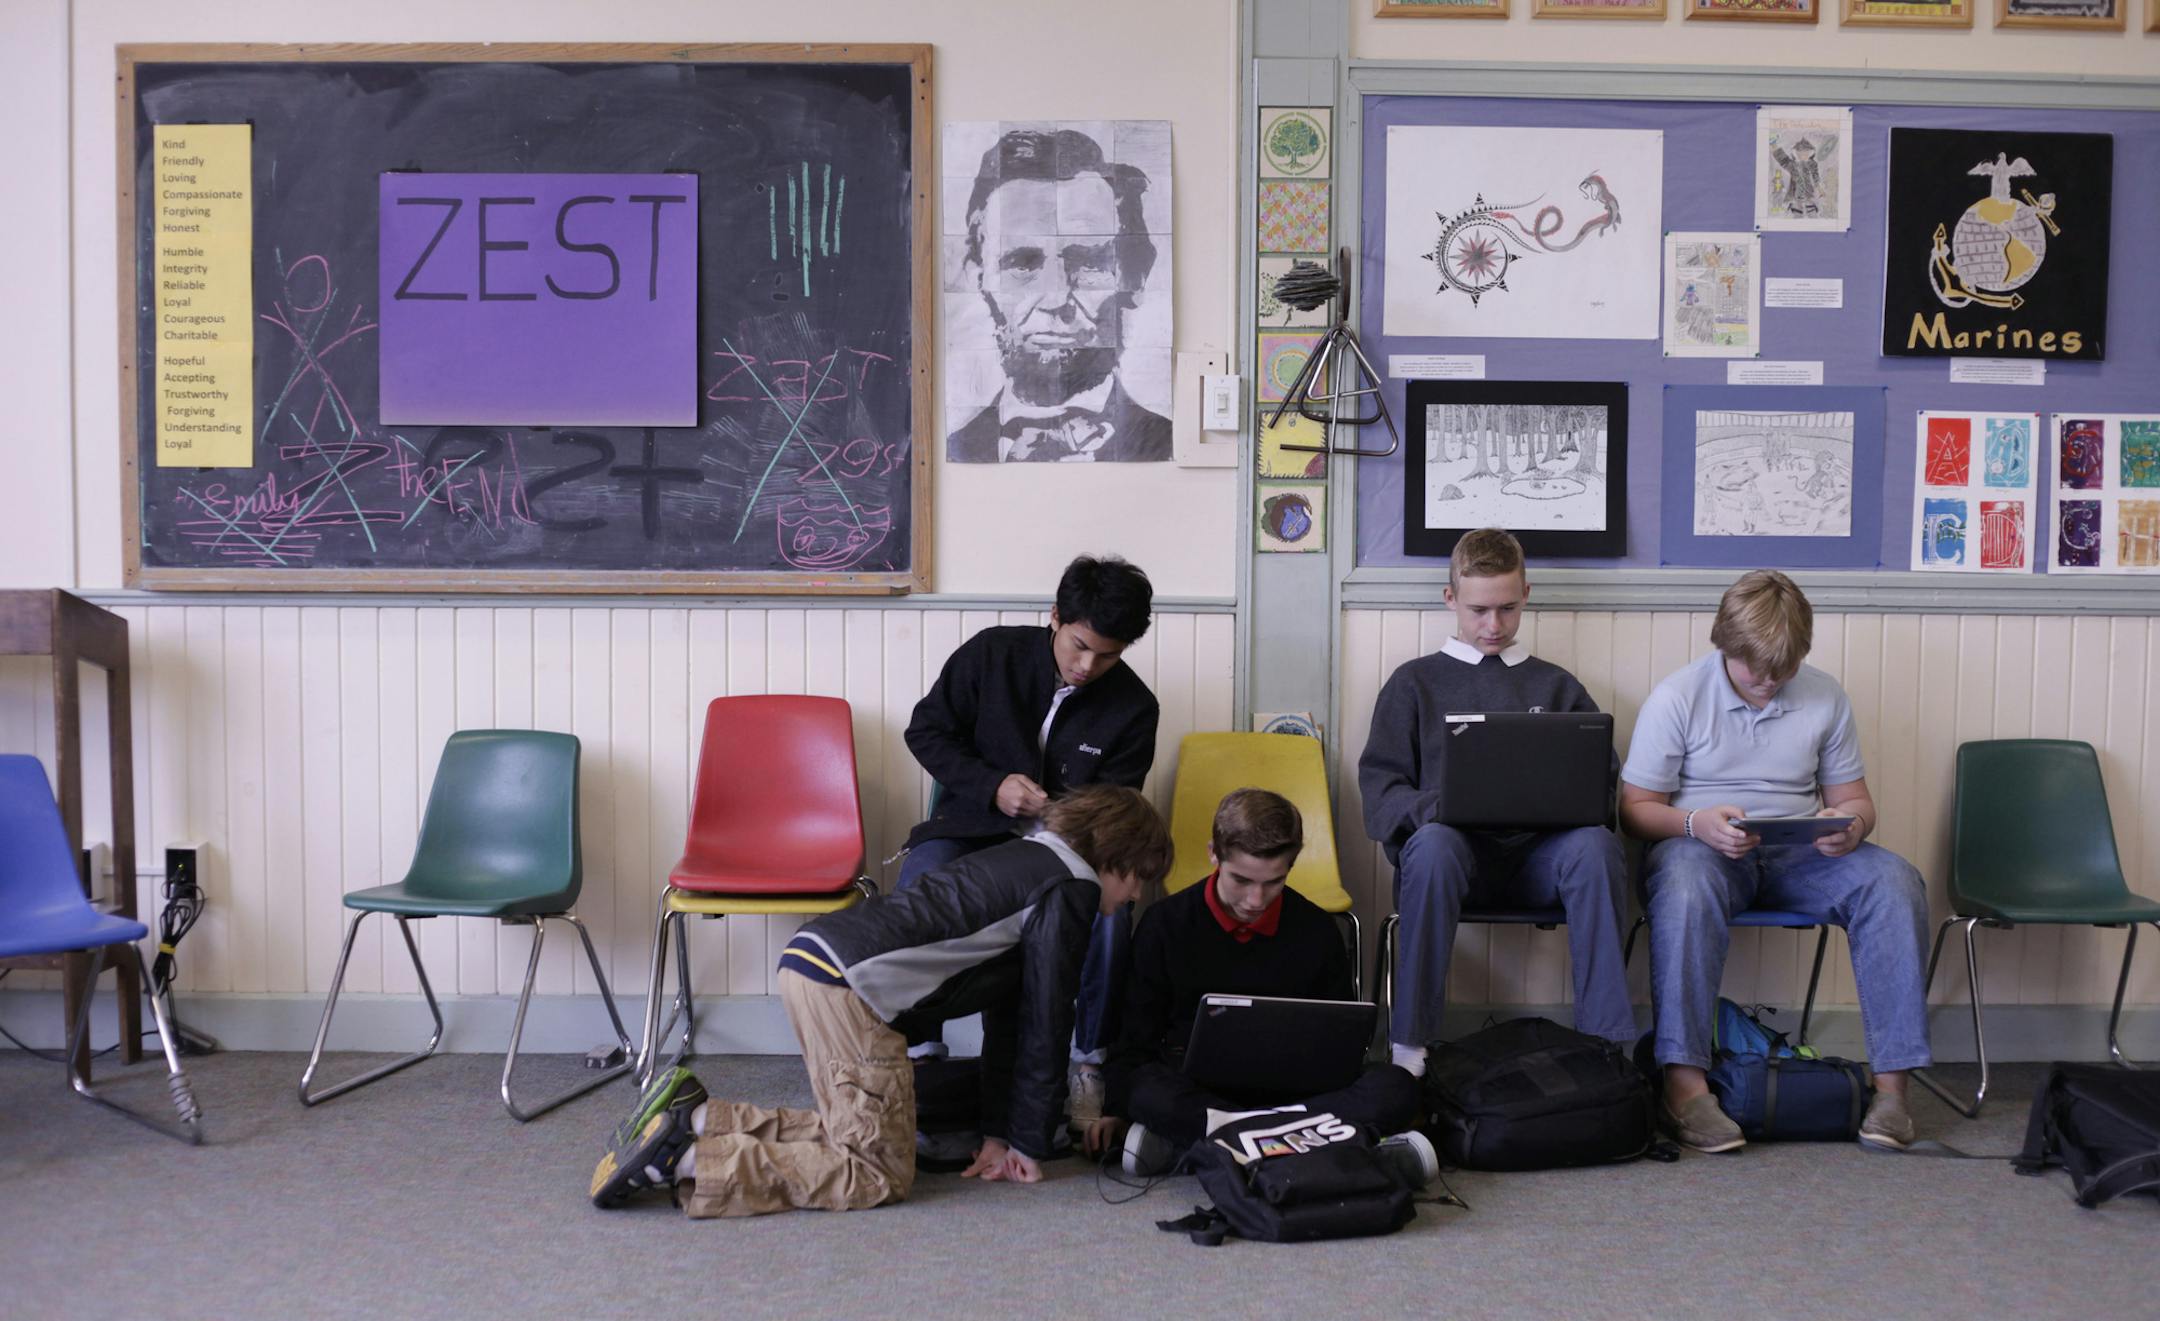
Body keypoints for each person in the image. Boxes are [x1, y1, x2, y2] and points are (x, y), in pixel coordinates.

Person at [590, 785, 1175, 1217]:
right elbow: (1048, 1021)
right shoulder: (1071, 885)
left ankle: (695, 1119)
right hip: (848, 991)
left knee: (863, 1128)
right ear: (1118, 860)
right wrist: (1028, 1142)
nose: (1127, 902)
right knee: (875, 1172)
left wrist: (1004, 1133)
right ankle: (690, 1163)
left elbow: (1014, 1016)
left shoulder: (1029, 857)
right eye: (1134, 886)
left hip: (814, 961)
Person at [1618, 569, 1930, 1154]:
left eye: (1782, 670)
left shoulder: (1824, 694)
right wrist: (1696, 823)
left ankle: (1892, 1091)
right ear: (1724, 645)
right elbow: (1635, 810)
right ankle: (1685, 1089)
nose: (1767, 682)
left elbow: (1854, 799)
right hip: (1700, 850)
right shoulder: (1678, 697)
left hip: (1798, 853)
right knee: (1684, 882)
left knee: (1894, 880)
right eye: (1753, 669)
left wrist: (1853, 825)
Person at [1358, 528, 1636, 1078]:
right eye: (1479, 609)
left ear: (1526, 595)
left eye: (1507, 609)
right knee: (1434, 844)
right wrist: (1438, 808)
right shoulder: (1414, 684)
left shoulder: (1556, 687)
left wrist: (1568, 806)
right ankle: (1409, 1050)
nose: (1493, 625)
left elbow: (1602, 792)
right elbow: (1380, 796)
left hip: (1541, 864)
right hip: (1451, 863)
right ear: (1450, 599)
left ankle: (1607, 1051)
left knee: (1597, 847)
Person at [898, 554, 1159, 1125]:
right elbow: (926, 731)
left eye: (1109, 655)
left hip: (1066, 853)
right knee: (921, 879)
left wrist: (1061, 818)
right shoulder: (992, 654)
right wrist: (992, 786)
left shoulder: (1135, 708)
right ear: (1055, 617)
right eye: (1079, 645)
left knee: (1110, 916)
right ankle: (919, 1053)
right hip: (969, 829)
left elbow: (1116, 812)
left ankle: (1088, 1062)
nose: (1089, 666)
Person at [1090, 789, 1429, 1183]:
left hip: (1294, 1098)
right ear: (1214, 854)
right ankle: (1309, 1142)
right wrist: (1115, 1108)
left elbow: (1341, 1052)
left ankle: (1207, 1145)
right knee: (1145, 1090)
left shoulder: (1318, 931)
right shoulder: (1165, 925)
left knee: (1396, 1086)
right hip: (1202, 1095)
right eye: (1241, 880)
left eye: (1274, 882)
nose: (1255, 899)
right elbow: (1133, 1041)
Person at [945, 127, 1171, 464]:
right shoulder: (953, 450)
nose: (1054, 299)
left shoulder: (1167, 447)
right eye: (1021, 263)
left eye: (1090, 261)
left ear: (1135, 277)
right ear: (980, 277)